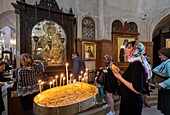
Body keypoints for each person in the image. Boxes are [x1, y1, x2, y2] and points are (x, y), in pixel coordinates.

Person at [112, 41, 152, 115]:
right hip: (128, 99)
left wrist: (120, 78)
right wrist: (120, 72)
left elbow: (136, 89)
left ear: (136, 50)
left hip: (132, 102)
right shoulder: (134, 62)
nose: (125, 49)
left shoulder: (137, 64)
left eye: (129, 47)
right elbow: (131, 77)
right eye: (126, 47)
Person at [153, 47, 170, 115]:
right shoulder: (165, 63)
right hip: (164, 90)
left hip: (168, 90)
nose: (159, 57)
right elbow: (155, 69)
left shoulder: (168, 64)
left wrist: (161, 84)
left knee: (167, 109)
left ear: (166, 55)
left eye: (161, 55)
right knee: (165, 109)